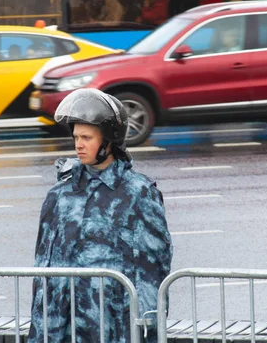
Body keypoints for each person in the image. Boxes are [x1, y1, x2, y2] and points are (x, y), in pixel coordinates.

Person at [28, 88, 173, 343]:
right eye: (76, 137)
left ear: (109, 141)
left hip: (111, 326)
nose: (78, 145)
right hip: (62, 325)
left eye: (87, 137)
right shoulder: (60, 194)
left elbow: (153, 268)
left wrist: (148, 330)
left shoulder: (137, 193)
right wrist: (41, 326)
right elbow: (44, 265)